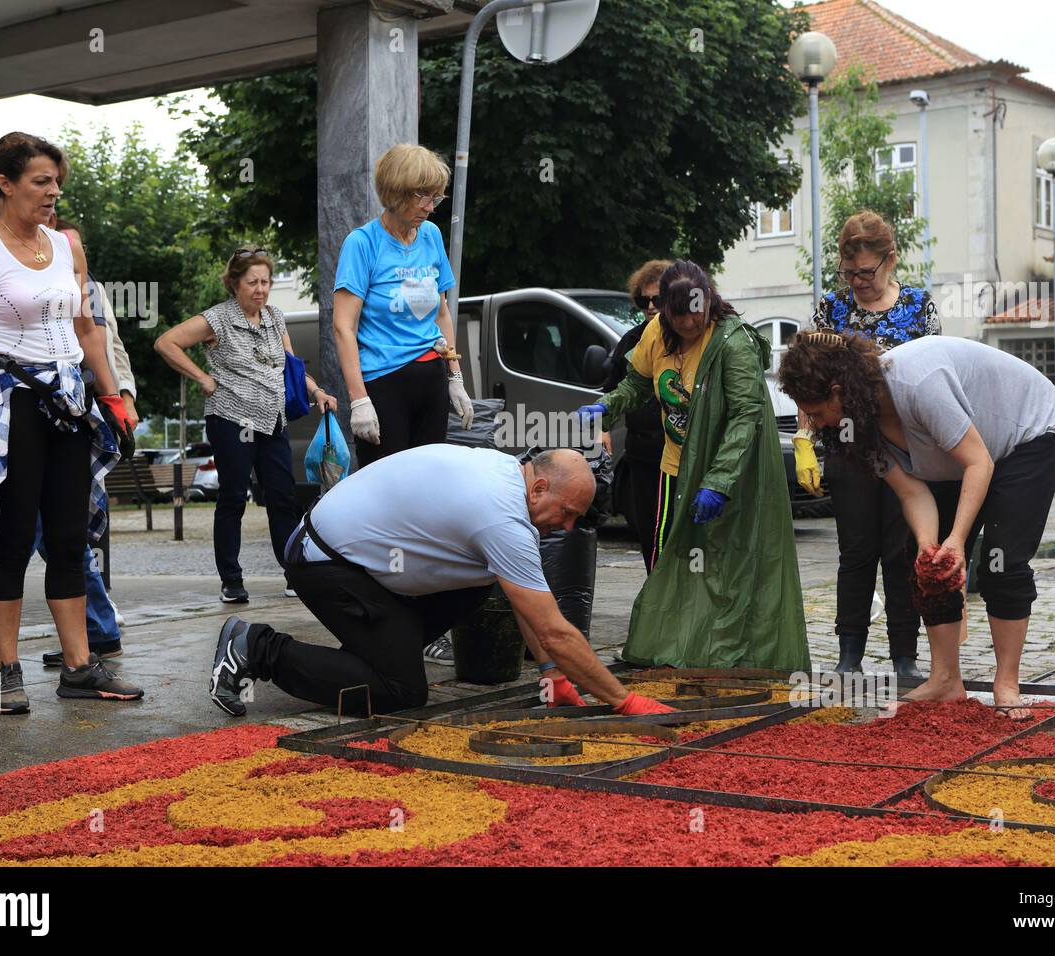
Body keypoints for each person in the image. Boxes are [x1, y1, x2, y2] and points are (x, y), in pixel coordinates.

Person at [209, 446, 674, 718]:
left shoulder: (506, 476)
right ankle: (256, 647)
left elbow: (528, 605)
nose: (568, 528)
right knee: (402, 692)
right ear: (539, 489)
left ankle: (372, 656)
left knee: (484, 584)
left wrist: (552, 673)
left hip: (356, 558)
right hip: (323, 562)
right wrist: (624, 701)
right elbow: (553, 628)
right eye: (567, 514)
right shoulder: (502, 516)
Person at [0, 131, 144, 714]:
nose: (53, 193)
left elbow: (86, 330)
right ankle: (6, 670)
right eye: (40, 182)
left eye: (57, 182)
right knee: (12, 537)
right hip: (12, 399)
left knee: (73, 540)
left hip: (70, 400)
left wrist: (113, 396)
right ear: (5, 184)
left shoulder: (64, 247)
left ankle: (78, 667)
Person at [779, 332, 1055, 718]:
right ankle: (946, 679)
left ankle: (1007, 683)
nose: (816, 425)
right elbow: (913, 494)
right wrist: (931, 545)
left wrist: (958, 539)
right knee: (927, 562)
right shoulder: (857, 426)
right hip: (963, 455)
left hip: (1027, 433)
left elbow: (978, 463)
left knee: (1002, 560)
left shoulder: (918, 384)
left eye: (816, 414)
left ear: (837, 393)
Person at [579, 261, 809, 670]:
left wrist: (718, 481)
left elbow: (746, 415)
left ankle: (725, 652)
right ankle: (676, 646)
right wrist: (606, 405)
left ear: (711, 301)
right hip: (675, 470)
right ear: (664, 310)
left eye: (696, 312)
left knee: (728, 565)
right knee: (675, 562)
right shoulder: (656, 333)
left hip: (731, 473)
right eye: (678, 314)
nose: (689, 322)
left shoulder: (732, 343)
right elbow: (636, 383)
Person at [155, 247, 334, 604]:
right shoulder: (218, 318)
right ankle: (232, 580)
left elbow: (290, 366)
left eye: (266, 281)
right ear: (235, 283)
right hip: (232, 418)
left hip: (272, 419)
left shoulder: (275, 317)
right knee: (234, 497)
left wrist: (316, 390)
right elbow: (166, 342)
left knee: (282, 495)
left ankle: (293, 573)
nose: (261, 289)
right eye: (252, 282)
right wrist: (202, 378)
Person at [800, 211, 935, 678]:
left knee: (902, 553)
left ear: (890, 260)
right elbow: (809, 378)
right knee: (856, 553)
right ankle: (849, 656)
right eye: (849, 272)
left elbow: (932, 376)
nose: (857, 281)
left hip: (904, 445)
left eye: (867, 271)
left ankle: (905, 658)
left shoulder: (919, 306)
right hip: (847, 446)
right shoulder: (831, 310)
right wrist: (805, 440)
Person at [332, 143, 474, 473]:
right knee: (388, 484)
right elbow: (343, 327)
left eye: (435, 197)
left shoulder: (431, 236)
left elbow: (440, 313)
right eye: (422, 196)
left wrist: (456, 377)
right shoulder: (362, 243)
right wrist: (359, 400)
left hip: (431, 378)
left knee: (427, 480)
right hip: (384, 383)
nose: (430, 206)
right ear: (396, 193)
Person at [601, 259, 670, 572]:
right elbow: (612, 389)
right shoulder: (631, 340)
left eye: (658, 299)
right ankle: (657, 599)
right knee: (649, 533)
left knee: (679, 535)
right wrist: (603, 428)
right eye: (644, 301)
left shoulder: (686, 337)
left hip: (678, 449)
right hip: (641, 453)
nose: (651, 306)